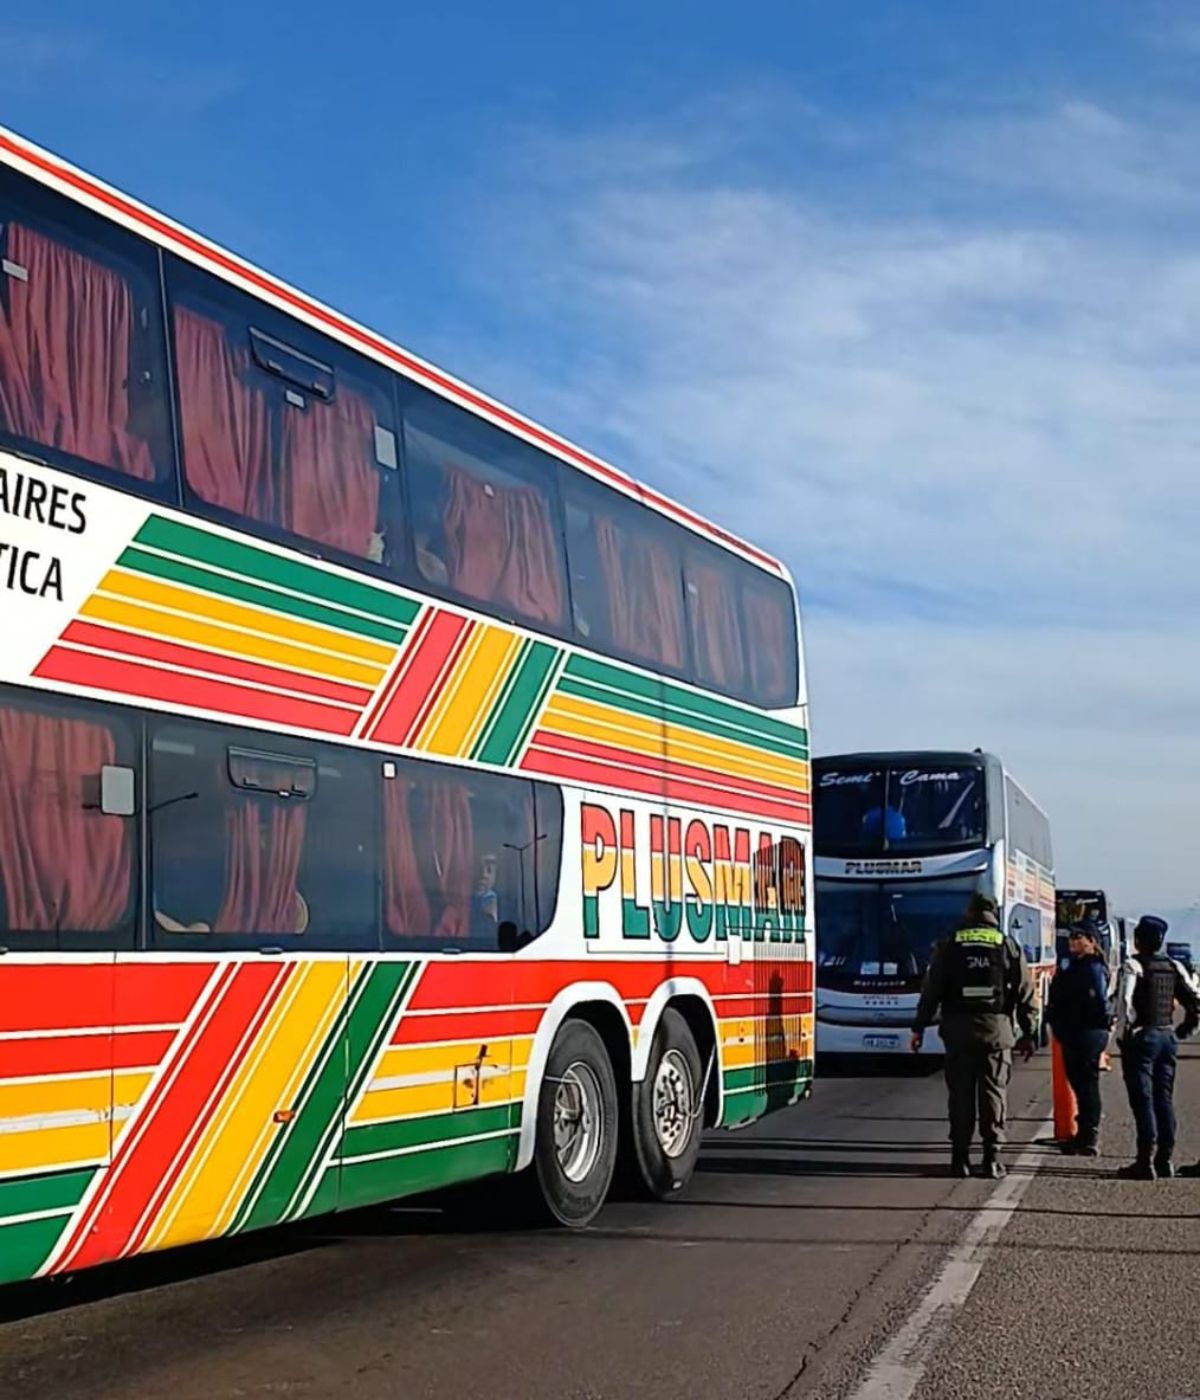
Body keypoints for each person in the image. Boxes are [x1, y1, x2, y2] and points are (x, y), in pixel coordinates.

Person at [910, 892, 1037, 1179]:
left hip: (957, 1032)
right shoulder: (1008, 946)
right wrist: (1029, 1032)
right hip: (996, 1032)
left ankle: (960, 1159)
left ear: (969, 912)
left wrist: (918, 1026)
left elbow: (931, 991)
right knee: (993, 1094)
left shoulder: (950, 945)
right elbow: (1026, 993)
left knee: (960, 1096)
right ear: (994, 913)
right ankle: (992, 1159)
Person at [1113, 914, 1199, 1179]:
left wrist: (1125, 1033)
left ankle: (1144, 1160)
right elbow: (1194, 1000)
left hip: (1143, 1037)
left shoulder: (1132, 966)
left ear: (1137, 940)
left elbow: (1124, 1004)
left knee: (1143, 1100)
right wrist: (1185, 1029)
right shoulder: (1173, 966)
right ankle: (1165, 1159)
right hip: (1166, 1037)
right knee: (1164, 1098)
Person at [1045, 920, 1111, 1155]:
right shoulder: (1076, 965)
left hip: (1086, 1033)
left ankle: (1088, 1135)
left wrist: (1095, 1023)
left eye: (1079, 936)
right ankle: (1083, 1134)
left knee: (1086, 1085)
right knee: (1081, 1084)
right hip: (1075, 1032)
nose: (1073, 940)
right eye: (1071, 936)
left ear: (1092, 942)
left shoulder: (1092, 967)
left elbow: (1098, 1002)